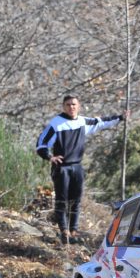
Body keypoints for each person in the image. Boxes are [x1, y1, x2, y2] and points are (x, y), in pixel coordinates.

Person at [36, 95, 128, 244]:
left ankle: (73, 231)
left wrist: (121, 117)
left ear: (78, 106)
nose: (71, 107)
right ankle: (64, 231)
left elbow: (101, 122)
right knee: (61, 200)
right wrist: (49, 157)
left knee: (76, 200)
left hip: (77, 167)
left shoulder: (82, 122)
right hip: (62, 168)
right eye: (68, 105)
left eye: (73, 104)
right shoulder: (56, 123)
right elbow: (41, 143)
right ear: (63, 106)